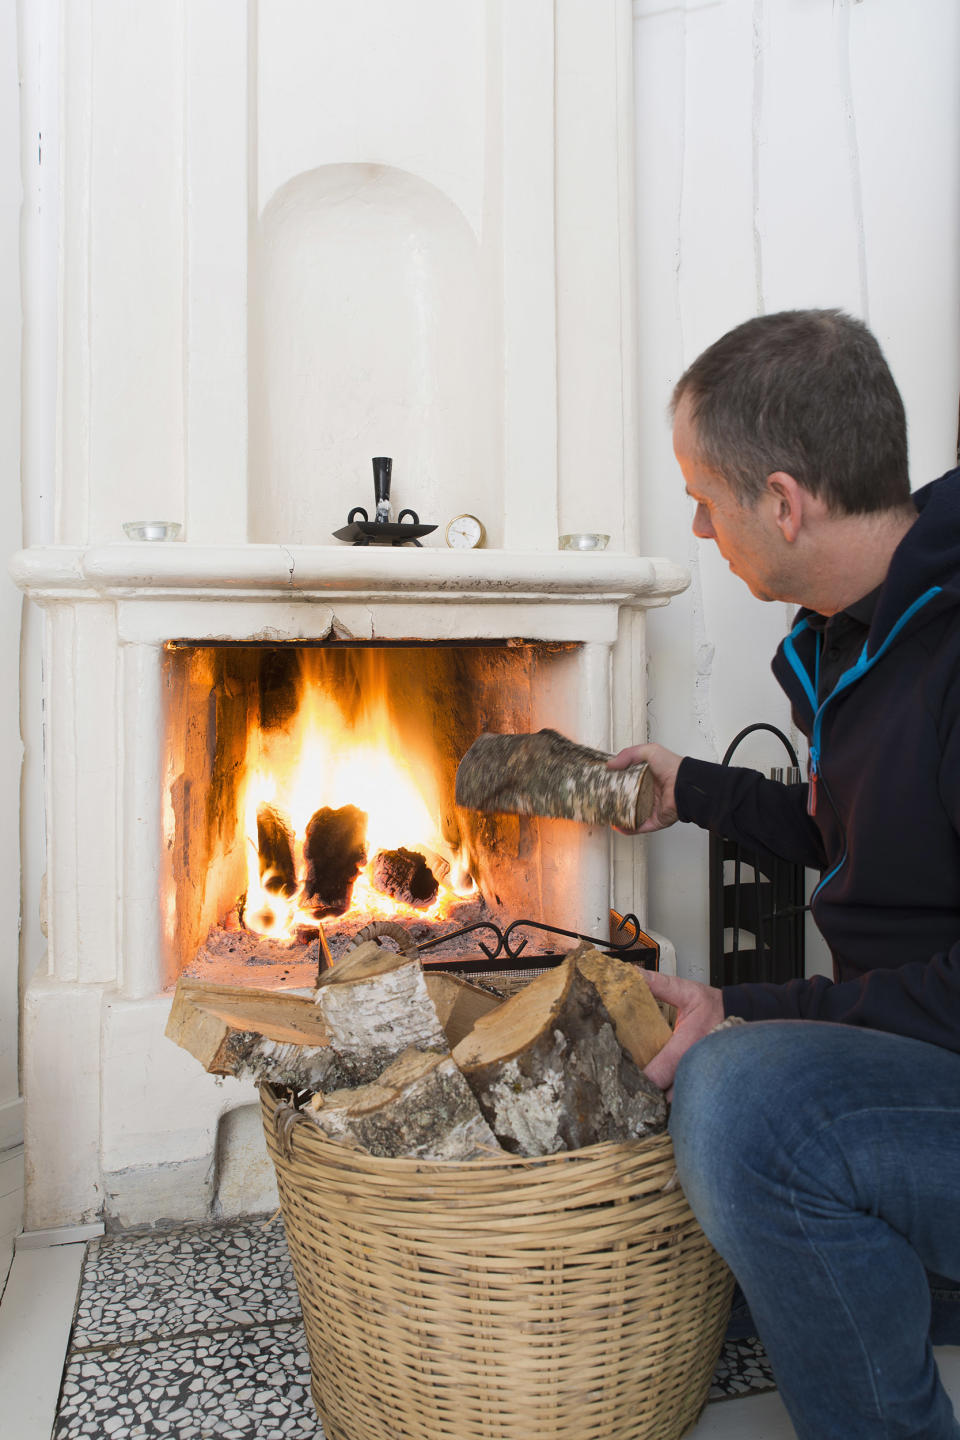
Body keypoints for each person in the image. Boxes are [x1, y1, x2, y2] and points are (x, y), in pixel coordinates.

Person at [608, 309, 960, 1439]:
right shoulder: (854, 631)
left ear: (784, 500)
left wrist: (749, 1012)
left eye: (705, 500)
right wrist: (692, 788)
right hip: (921, 1054)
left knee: (748, 1109)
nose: (699, 530)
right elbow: (860, 825)